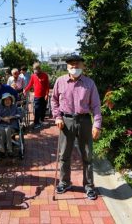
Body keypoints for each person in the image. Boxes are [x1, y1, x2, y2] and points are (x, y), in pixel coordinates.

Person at [51, 55, 102, 200]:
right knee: (64, 154)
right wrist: (57, 117)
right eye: (71, 65)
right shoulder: (60, 81)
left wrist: (97, 124)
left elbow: (96, 106)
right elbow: (54, 100)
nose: (74, 68)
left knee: (87, 155)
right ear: (67, 67)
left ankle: (89, 186)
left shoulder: (89, 83)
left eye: (77, 65)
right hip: (66, 121)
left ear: (83, 67)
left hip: (84, 121)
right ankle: (64, 182)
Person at [23, 62, 49, 129]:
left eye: (36, 69)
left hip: (44, 95)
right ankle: (36, 122)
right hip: (37, 96)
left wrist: (47, 94)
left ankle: (42, 120)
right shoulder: (33, 76)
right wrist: (25, 90)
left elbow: (47, 86)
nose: (35, 71)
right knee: (37, 109)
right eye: (34, 69)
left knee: (43, 109)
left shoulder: (45, 75)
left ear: (39, 69)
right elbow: (30, 84)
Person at [0, 93, 22, 157]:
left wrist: (11, 117)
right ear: (3, 101)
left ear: (11, 100)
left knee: (7, 129)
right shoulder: (0, 108)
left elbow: (20, 115)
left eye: (9, 99)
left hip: (12, 126)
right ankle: (1, 150)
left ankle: (9, 150)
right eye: (5, 100)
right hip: (2, 125)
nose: (7, 101)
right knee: (2, 130)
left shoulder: (14, 107)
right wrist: (3, 119)